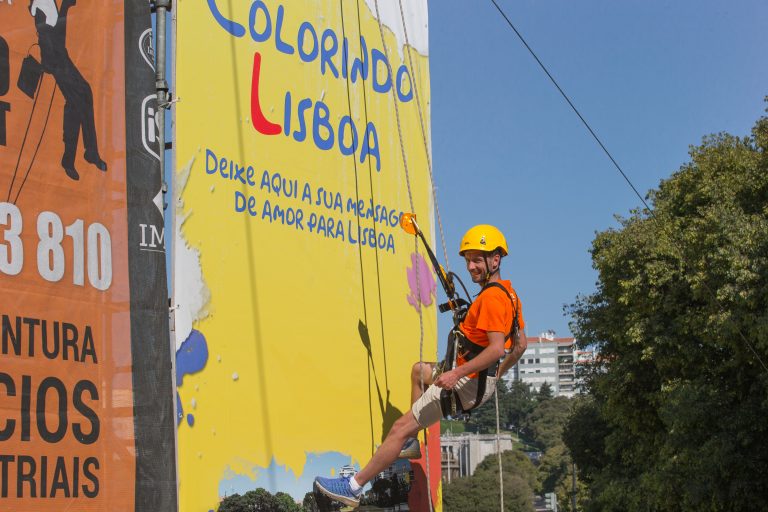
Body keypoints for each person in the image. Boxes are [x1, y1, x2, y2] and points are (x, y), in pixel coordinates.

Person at [314, 224, 528, 507]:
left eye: (478, 259)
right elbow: (521, 344)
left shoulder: (491, 298)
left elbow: (497, 348)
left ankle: (353, 488)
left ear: (495, 259)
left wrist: (457, 374)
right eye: (468, 260)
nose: (471, 267)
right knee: (419, 371)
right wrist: (494, 377)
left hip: (465, 381)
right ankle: (411, 441)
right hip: (475, 379)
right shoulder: (509, 294)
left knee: (398, 427)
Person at [31, 0, 107, 181]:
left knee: (77, 101)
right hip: (56, 60)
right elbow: (44, 33)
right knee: (80, 98)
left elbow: (58, 34)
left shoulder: (49, 2)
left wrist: (65, 7)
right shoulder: (41, 3)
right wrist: (50, 64)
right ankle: (88, 152)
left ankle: (73, 157)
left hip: (61, 56)